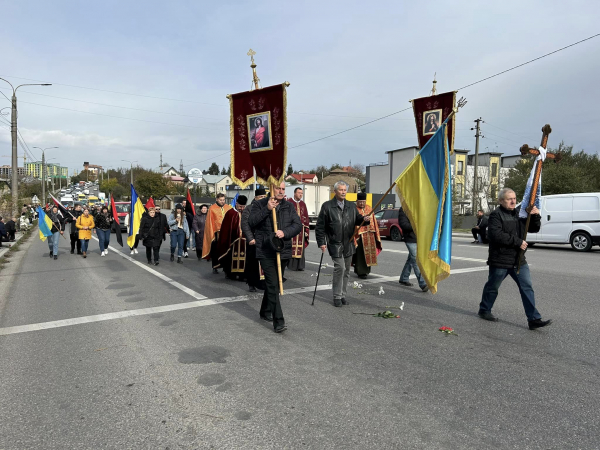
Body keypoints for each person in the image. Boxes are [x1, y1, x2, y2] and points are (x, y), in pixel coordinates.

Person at [478, 188, 552, 330]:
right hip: (500, 259)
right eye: (508, 199)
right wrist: (517, 242)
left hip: (518, 260)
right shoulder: (495, 215)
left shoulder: (520, 214)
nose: (513, 201)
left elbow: (533, 229)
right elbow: (495, 235)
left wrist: (535, 216)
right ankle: (484, 310)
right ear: (501, 201)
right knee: (492, 287)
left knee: (527, 288)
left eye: (514, 198)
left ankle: (534, 319)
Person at [249, 182, 302, 332]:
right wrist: (267, 210)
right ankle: (278, 321)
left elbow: (297, 225)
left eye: (283, 189)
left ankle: (264, 311)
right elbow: (251, 222)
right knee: (272, 284)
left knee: (275, 285)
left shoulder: (289, 206)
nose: (281, 191)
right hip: (265, 250)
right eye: (278, 188)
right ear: (271, 189)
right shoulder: (260, 204)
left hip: (282, 249)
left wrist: (285, 232)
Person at [315, 181, 369, 307]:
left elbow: (358, 219)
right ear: (335, 191)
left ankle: (343, 294)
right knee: (340, 268)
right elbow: (320, 227)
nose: (343, 192)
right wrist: (321, 242)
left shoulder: (351, 206)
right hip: (335, 243)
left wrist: (364, 220)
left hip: (349, 243)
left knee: (347, 271)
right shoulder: (327, 206)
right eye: (341, 190)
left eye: (345, 190)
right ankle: (337, 296)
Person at [242, 188, 267, 292]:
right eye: (260, 197)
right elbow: (245, 224)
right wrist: (250, 238)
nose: (262, 199)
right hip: (254, 240)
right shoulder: (249, 208)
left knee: (266, 263)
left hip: (266, 240)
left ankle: (265, 283)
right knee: (252, 263)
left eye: (264, 197)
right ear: (255, 198)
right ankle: (251, 283)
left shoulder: (268, 207)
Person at [217, 195, 248, 281]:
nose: (241, 208)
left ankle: (242, 275)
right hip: (232, 241)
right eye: (240, 206)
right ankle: (230, 273)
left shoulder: (246, 213)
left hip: (244, 241)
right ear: (236, 204)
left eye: (243, 206)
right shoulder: (230, 213)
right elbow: (225, 229)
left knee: (244, 257)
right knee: (230, 257)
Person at [398, 208, 428, 292]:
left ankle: (403, 278)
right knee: (415, 260)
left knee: (411, 259)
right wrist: (417, 225)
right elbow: (403, 224)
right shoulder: (403, 209)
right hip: (410, 239)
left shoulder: (418, 207)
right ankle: (423, 283)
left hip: (420, 239)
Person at [352, 193, 382, 279]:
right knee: (360, 254)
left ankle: (367, 271)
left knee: (369, 254)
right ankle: (360, 272)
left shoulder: (369, 208)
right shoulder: (354, 209)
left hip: (370, 233)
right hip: (359, 235)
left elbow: (374, 221)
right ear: (357, 201)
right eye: (360, 202)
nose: (362, 203)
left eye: (363, 202)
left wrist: (376, 232)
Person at [202, 193, 233, 274]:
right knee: (216, 250)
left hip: (227, 232)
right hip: (217, 233)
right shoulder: (212, 209)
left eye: (223, 200)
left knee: (227, 250)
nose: (222, 201)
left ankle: (226, 269)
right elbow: (209, 223)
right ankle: (215, 266)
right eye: (221, 200)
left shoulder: (228, 208)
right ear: (217, 199)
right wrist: (212, 234)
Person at [287, 187, 310, 271]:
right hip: (291, 229)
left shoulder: (303, 204)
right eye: (299, 193)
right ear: (294, 193)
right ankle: (291, 265)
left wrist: (306, 229)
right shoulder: (289, 202)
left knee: (300, 247)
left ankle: (299, 265)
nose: (300, 195)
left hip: (301, 229)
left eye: (302, 193)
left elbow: (306, 217)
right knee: (291, 246)